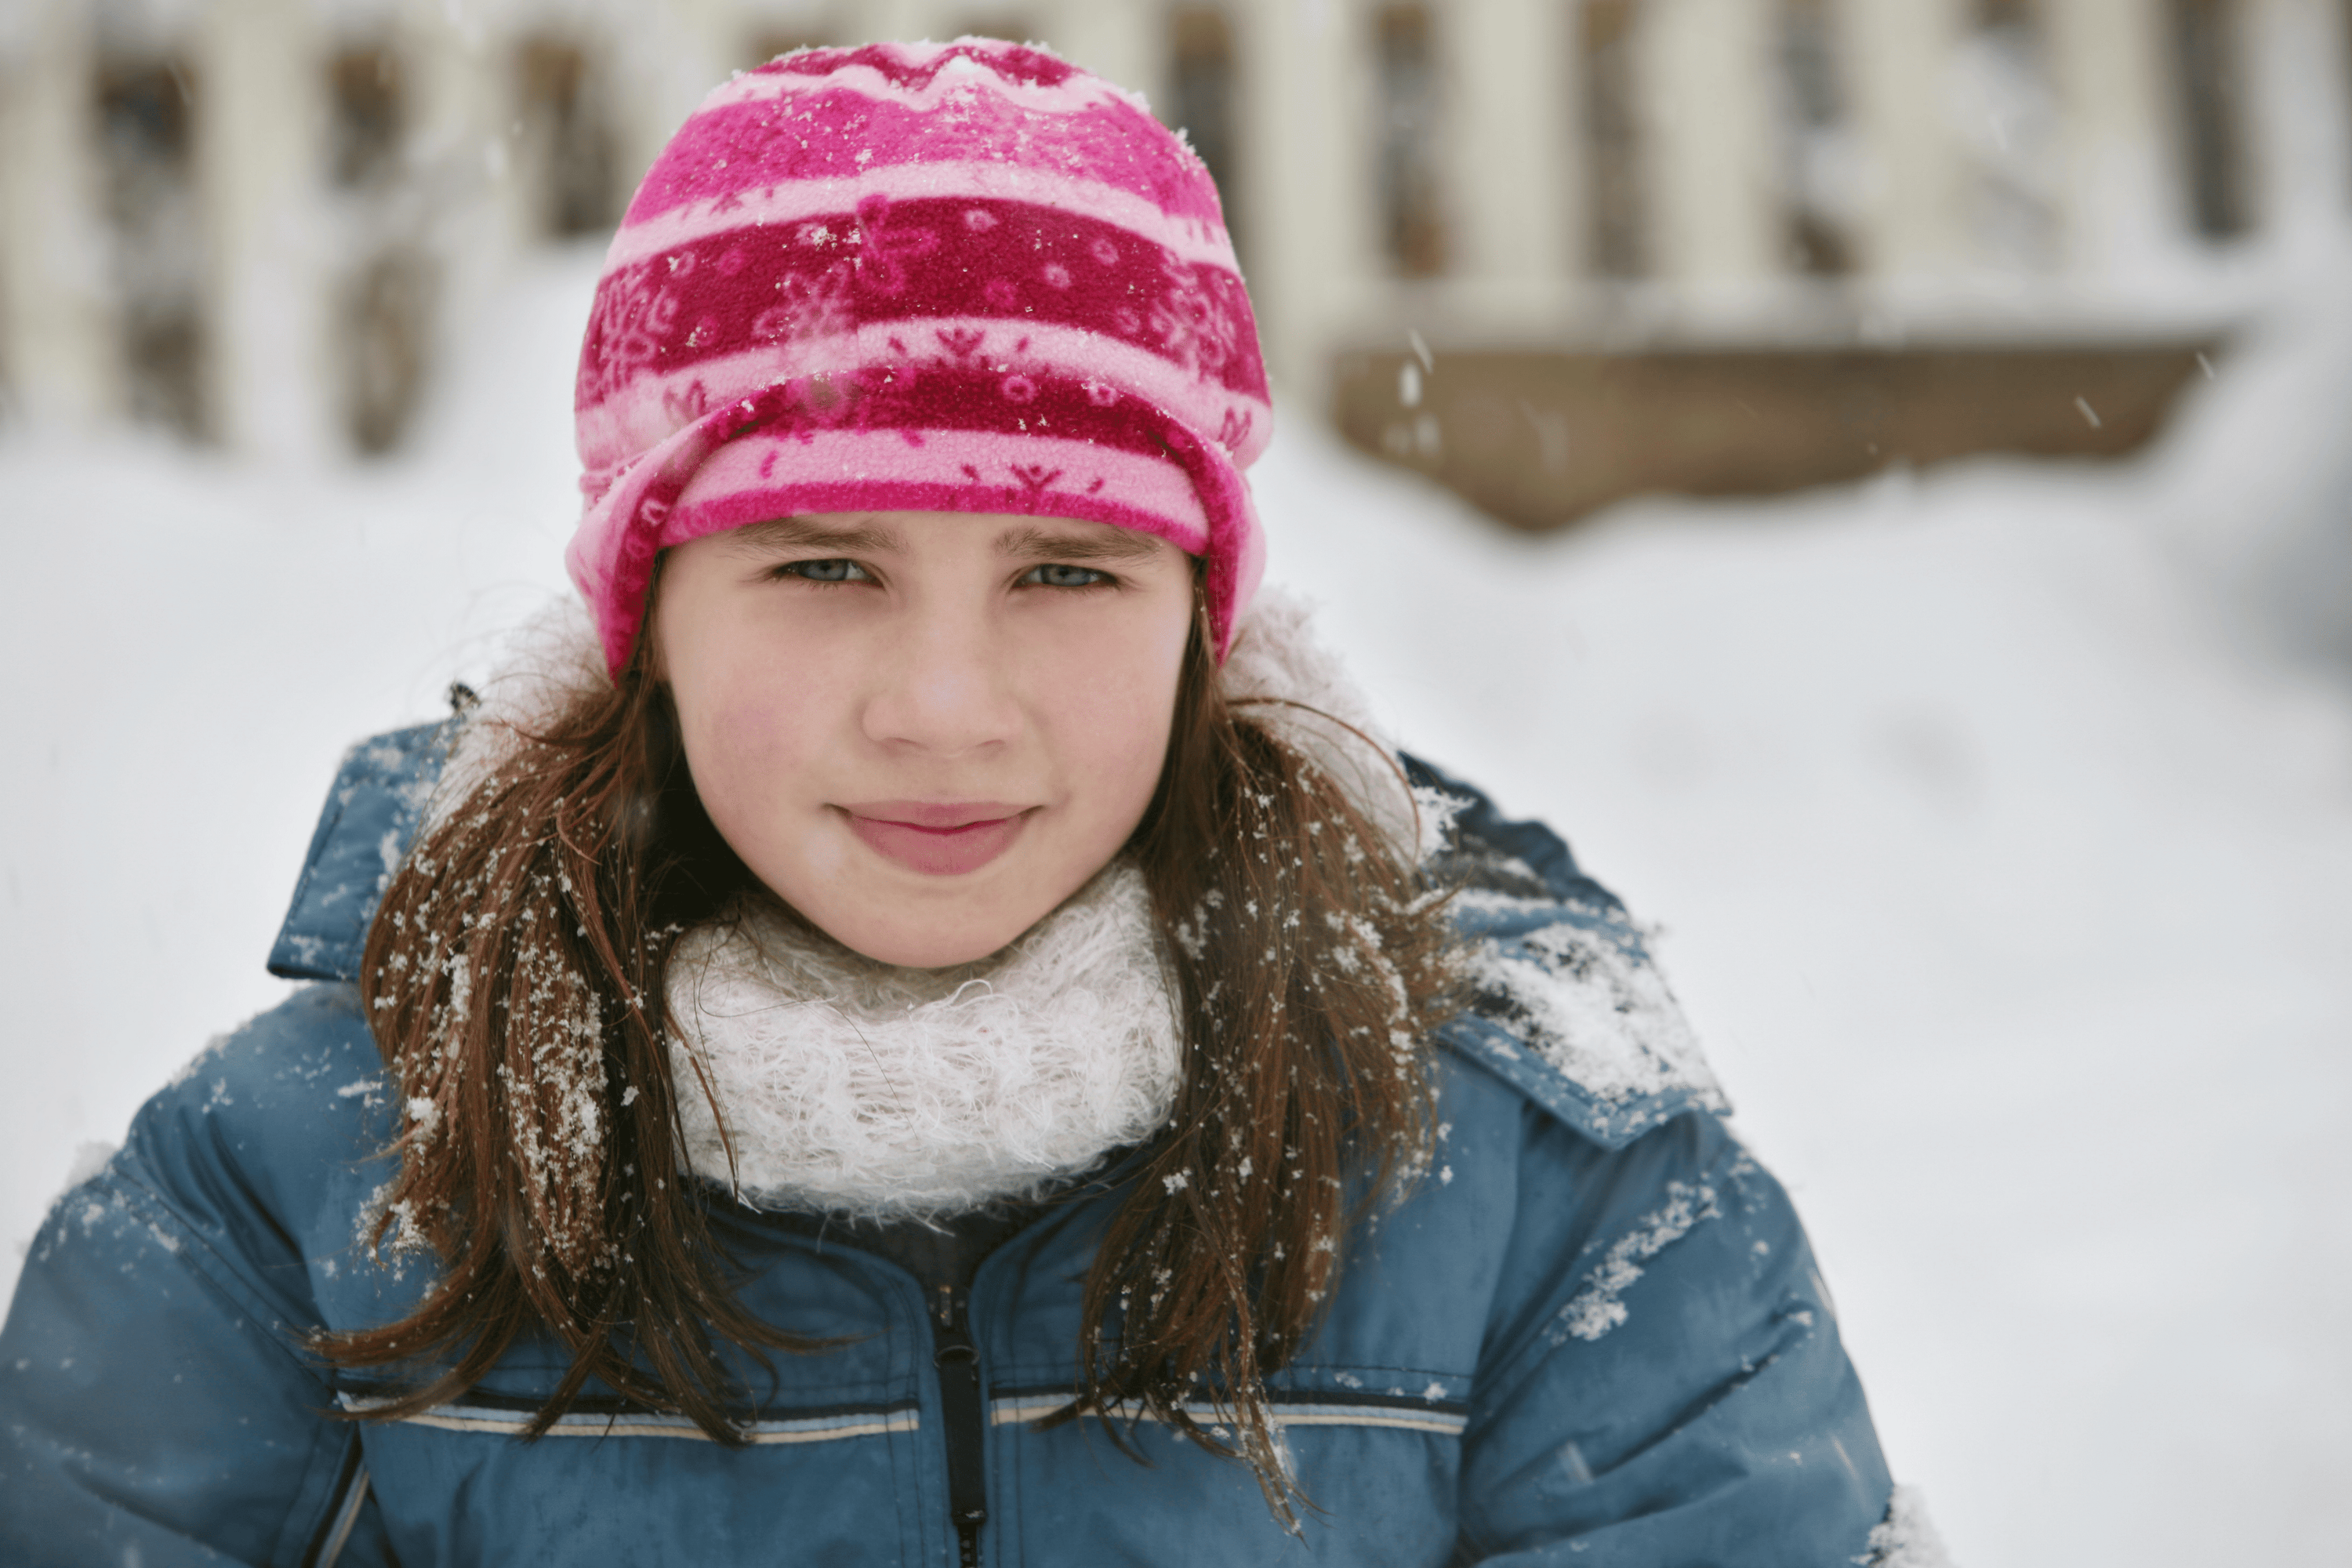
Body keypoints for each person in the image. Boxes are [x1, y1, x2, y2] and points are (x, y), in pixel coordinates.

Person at [0, 40, 1918, 1566]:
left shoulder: (1535, 1175)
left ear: (1202, 622)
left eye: (1068, 572)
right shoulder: (297, 1189)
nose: (943, 707)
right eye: (824, 566)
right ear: (642, 620)